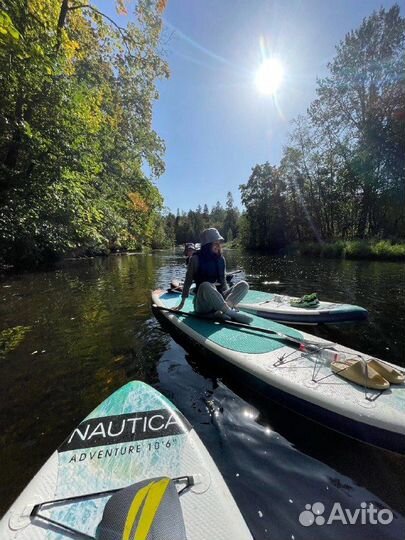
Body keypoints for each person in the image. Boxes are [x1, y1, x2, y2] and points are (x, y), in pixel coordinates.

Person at [173, 228, 253, 324]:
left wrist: (229, 298)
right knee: (206, 285)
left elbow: (223, 282)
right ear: (207, 245)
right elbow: (188, 281)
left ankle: (222, 311)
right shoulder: (195, 259)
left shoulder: (221, 259)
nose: (218, 246)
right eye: (215, 243)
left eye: (219, 243)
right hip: (203, 304)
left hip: (219, 300)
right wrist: (182, 303)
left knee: (243, 285)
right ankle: (230, 313)